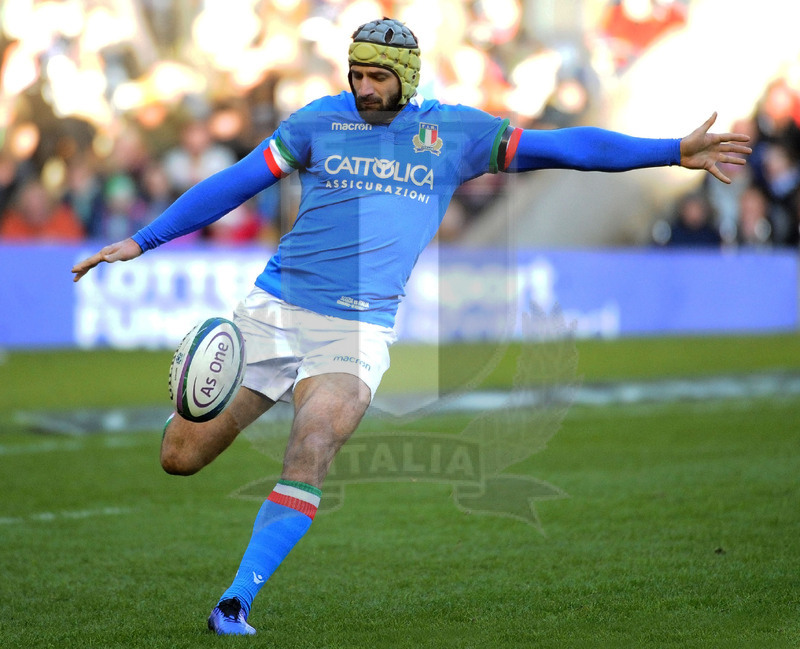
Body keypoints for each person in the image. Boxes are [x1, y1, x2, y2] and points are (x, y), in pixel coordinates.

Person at [71, 17, 751, 636]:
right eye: (357, 75)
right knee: (180, 457)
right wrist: (144, 239)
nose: (364, 88)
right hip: (274, 309)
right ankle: (197, 390)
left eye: (377, 77)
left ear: (408, 78)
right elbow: (237, 181)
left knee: (315, 441)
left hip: (357, 329)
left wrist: (670, 150)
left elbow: (567, 147)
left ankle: (235, 601)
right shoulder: (318, 121)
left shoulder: (452, 134)